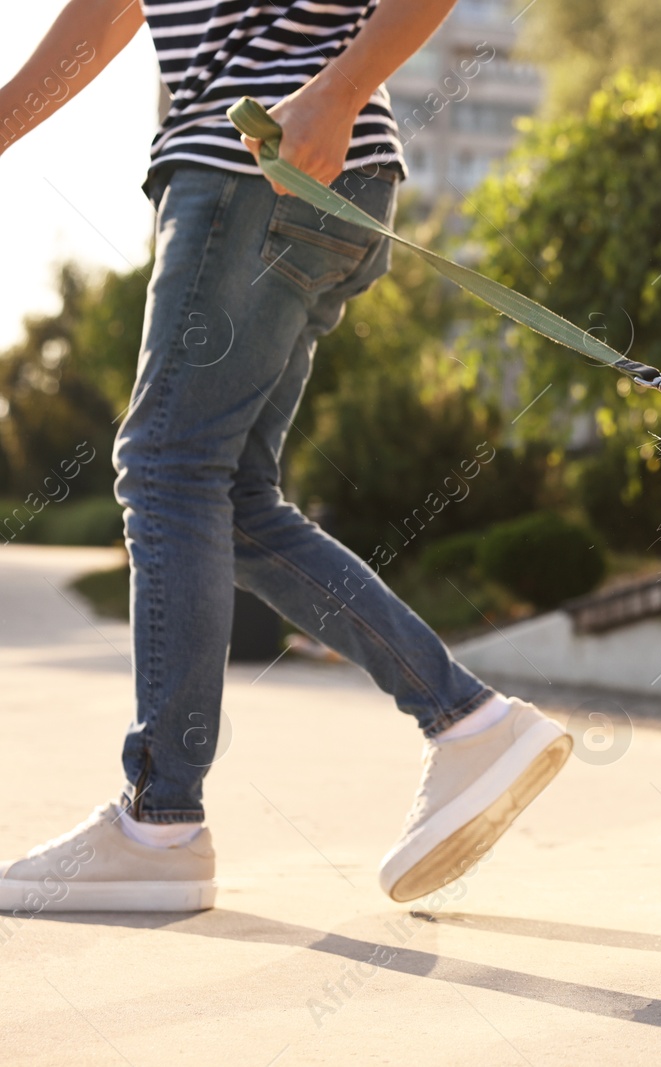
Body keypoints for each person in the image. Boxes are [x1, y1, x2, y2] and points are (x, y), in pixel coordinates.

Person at [0, 0, 572, 912]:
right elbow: (109, 11)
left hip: (257, 158)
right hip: (295, 164)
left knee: (167, 470)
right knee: (230, 496)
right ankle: (467, 720)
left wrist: (337, 91)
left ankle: (161, 820)